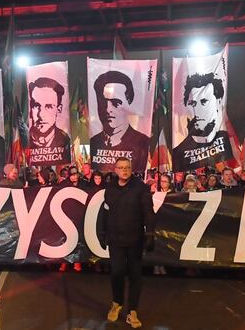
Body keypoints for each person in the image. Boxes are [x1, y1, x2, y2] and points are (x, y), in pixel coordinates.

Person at [104, 157, 155, 328]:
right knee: (117, 272)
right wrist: (102, 233)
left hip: (135, 240)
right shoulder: (110, 189)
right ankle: (117, 302)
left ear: (131, 169)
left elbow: (149, 212)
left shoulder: (141, 188)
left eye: (127, 167)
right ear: (115, 169)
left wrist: (150, 233)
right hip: (115, 239)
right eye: (121, 167)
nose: (124, 170)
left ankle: (132, 310)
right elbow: (105, 213)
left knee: (135, 275)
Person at [90, 71, 150, 173]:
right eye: (104, 102)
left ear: (129, 104)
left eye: (115, 103)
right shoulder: (94, 142)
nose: (108, 109)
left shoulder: (142, 142)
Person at [172, 72, 232, 171]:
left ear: (219, 102)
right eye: (192, 103)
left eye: (204, 102)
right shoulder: (179, 152)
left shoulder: (228, 143)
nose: (197, 110)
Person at [28, 77, 71, 158]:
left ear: (58, 109)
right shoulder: (23, 141)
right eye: (36, 106)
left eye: (49, 106)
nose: (40, 115)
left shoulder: (65, 140)